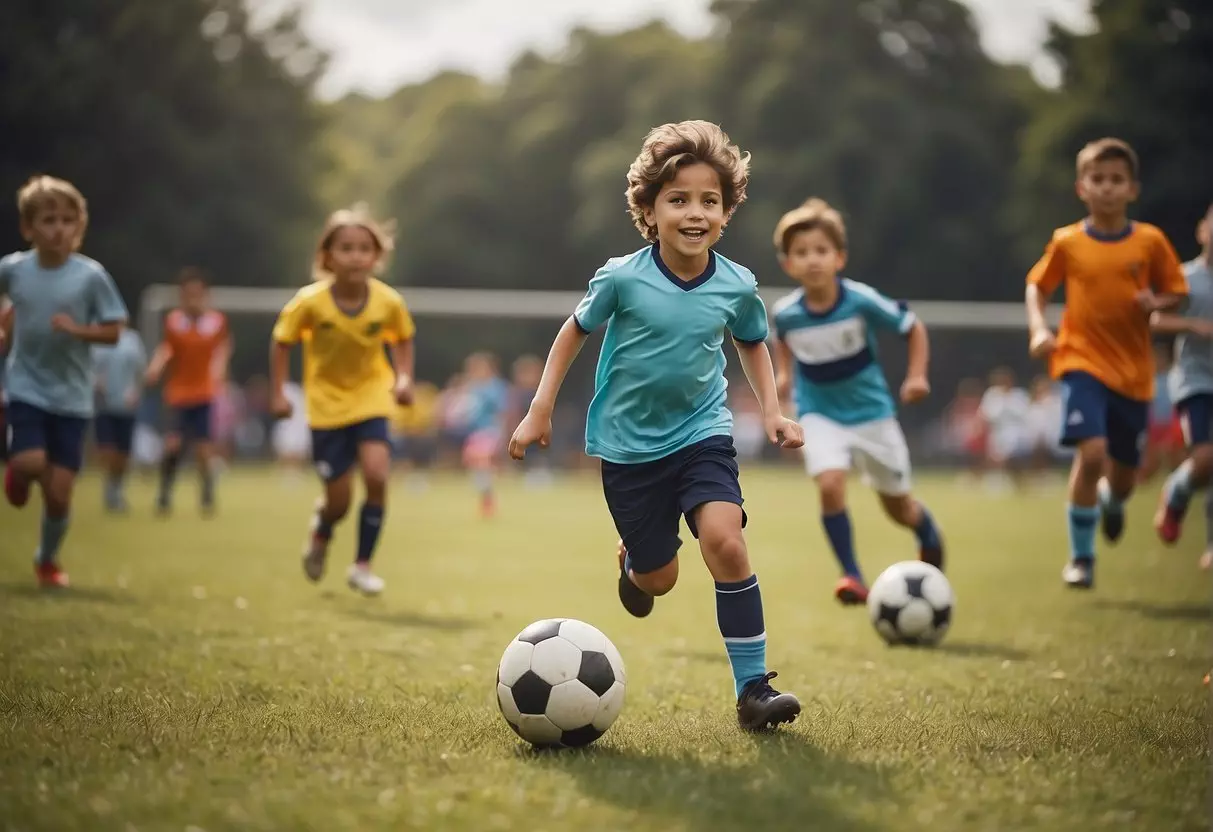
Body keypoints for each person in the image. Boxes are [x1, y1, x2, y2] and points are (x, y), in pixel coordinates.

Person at [508, 120, 805, 732]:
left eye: (709, 201)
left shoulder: (737, 284)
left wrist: (772, 410)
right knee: (659, 580)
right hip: (627, 447)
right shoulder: (623, 277)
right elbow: (572, 334)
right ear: (649, 209)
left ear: (726, 211)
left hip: (703, 432)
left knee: (725, 540)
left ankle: (753, 690)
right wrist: (540, 409)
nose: (695, 213)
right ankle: (634, 563)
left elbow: (753, 343)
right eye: (678, 199)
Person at [1025, 137, 1188, 589]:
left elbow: (1178, 290)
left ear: (1132, 189)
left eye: (1117, 180)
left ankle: (1112, 504)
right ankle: (1082, 559)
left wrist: (1156, 300)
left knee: (1124, 477)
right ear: (1082, 188)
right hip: (1080, 360)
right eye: (1098, 179)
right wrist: (1040, 328)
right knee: (1091, 453)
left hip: (1134, 375)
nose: (1107, 188)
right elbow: (1038, 286)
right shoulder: (1068, 242)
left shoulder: (1150, 242)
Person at [770, 197, 944, 606]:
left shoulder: (860, 300)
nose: (812, 260)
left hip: (873, 416)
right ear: (788, 264)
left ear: (839, 258)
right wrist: (781, 377)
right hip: (820, 414)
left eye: (821, 251)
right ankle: (851, 574)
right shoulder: (786, 314)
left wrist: (917, 376)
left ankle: (927, 531)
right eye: (801, 253)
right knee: (830, 484)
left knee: (899, 508)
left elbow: (912, 326)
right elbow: (784, 348)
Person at [270, 205, 415, 596]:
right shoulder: (309, 303)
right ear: (327, 255)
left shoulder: (388, 303)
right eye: (346, 247)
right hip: (326, 406)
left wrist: (403, 379)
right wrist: (279, 391)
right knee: (339, 501)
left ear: (376, 256)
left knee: (376, 475)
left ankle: (362, 565)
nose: (355, 256)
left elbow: (402, 339)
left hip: (372, 398)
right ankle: (322, 529)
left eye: (364, 248)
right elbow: (282, 341)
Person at [0, 175, 128, 587]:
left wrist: (77, 331)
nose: (59, 228)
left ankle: (46, 559)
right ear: (28, 228)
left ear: (80, 227)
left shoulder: (90, 277)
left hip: (73, 397)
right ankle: (17, 474)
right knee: (30, 462)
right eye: (49, 219)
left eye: (68, 220)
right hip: (26, 385)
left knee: (58, 495)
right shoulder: (14, 269)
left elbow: (113, 330)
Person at [1151, 202, 1213, 550]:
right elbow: (1157, 320)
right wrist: (1192, 324)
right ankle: (1175, 492)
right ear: (1202, 231)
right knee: (1205, 459)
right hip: (1195, 381)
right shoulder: (1185, 278)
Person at [144, 268, 231, 516]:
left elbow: (222, 349)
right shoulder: (174, 321)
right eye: (188, 294)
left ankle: (206, 493)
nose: (193, 299)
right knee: (173, 445)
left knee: (204, 451)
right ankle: (164, 493)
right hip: (178, 394)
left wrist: (220, 370)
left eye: (198, 294)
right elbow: (166, 349)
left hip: (204, 393)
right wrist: (155, 367)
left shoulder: (216, 322)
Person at [91, 327, 148, 512]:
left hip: (126, 407)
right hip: (103, 405)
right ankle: (109, 487)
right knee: (107, 450)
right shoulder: (97, 338)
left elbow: (141, 371)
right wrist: (96, 383)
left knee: (123, 454)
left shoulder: (132, 340)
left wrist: (137, 391)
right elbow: (87, 367)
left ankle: (117, 489)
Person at [460, 352, 509, 517]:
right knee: (474, 463)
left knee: (482, 461)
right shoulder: (473, 387)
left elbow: (502, 412)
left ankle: (488, 499)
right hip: (474, 432)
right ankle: (486, 495)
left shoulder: (496, 388)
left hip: (489, 431)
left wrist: (502, 433)